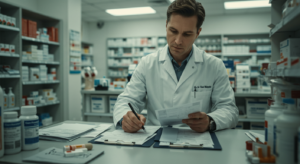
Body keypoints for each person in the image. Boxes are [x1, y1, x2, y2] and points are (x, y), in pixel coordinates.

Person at [113, 0, 238, 133]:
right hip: (155, 137)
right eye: (173, 31)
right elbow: (127, 100)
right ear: (166, 25)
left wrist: (210, 121)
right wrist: (126, 118)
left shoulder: (214, 66)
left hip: (197, 139)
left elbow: (229, 109)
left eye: (187, 34)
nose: (178, 41)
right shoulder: (147, 63)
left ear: (198, 33)